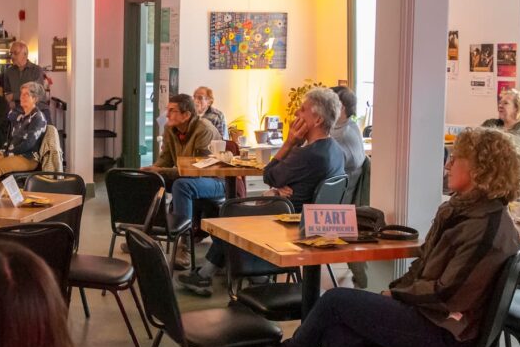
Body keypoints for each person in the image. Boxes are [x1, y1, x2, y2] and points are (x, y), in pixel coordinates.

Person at [234, 126, 520, 347]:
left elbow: (445, 291)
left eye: (456, 159)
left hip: (446, 336)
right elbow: (424, 268)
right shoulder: (461, 212)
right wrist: (398, 292)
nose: (447, 165)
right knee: (338, 332)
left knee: (336, 300)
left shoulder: (486, 227)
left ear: (479, 170)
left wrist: (397, 294)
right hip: (432, 320)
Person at [177, 88, 344, 297]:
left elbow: (269, 175)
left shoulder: (308, 154)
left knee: (228, 217)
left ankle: (224, 275)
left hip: (287, 220)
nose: (296, 114)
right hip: (310, 222)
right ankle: (239, 275)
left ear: (317, 120)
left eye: (302, 110)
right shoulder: (335, 150)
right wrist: (278, 187)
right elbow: (282, 179)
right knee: (233, 215)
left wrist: (289, 143)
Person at [143, 93, 222, 270]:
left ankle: (185, 246)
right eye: (168, 109)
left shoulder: (204, 130)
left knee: (182, 186)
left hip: (214, 181)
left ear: (186, 115)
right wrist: (153, 170)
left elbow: (200, 170)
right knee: (151, 180)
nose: (167, 114)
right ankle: (147, 235)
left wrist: (162, 171)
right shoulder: (170, 129)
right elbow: (165, 158)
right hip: (187, 177)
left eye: (172, 110)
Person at [0, 82, 48, 184]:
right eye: (22, 94)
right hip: (11, 154)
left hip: (28, 157)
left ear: (35, 99)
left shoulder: (38, 117)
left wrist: (7, 154)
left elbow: (28, 144)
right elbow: (9, 139)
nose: (22, 97)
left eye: (27, 94)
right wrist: (1, 151)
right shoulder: (19, 117)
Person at [330, 85, 368, 289]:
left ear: (341, 107)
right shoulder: (343, 128)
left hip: (335, 208)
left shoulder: (344, 135)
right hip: (338, 203)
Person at [481, 88, 520, 163]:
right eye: (500, 103)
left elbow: (504, 159)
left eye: (505, 103)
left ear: (518, 108)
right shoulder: (489, 124)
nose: (500, 105)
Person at [3, 41, 46, 111]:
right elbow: (7, 92)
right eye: (11, 53)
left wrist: (13, 96)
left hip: (37, 108)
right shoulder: (9, 72)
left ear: (25, 54)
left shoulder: (36, 70)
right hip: (17, 109)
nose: (12, 56)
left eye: (15, 53)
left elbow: (37, 92)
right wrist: (10, 101)